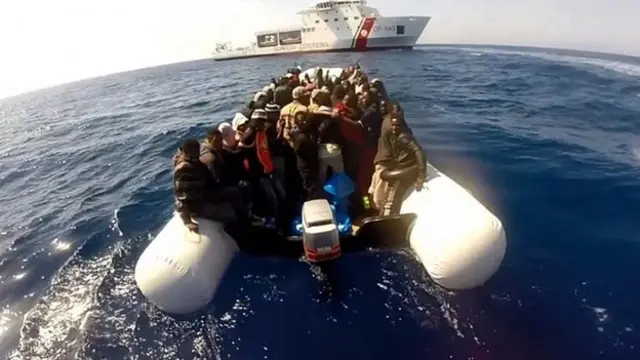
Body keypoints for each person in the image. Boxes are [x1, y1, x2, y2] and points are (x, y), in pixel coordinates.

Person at [174, 139, 241, 233]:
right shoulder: (183, 169)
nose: (196, 153)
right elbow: (180, 198)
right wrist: (187, 221)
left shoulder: (198, 164)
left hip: (206, 195)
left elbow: (211, 183)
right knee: (230, 214)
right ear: (185, 152)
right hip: (195, 206)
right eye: (192, 151)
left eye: (196, 150)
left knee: (236, 191)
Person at [372, 105, 426, 216]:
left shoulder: (403, 137)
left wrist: (421, 175)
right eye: (393, 125)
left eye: (397, 126)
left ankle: (389, 217)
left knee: (392, 198)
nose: (394, 128)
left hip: (406, 171)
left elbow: (419, 150)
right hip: (399, 168)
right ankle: (383, 213)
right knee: (387, 192)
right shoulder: (394, 136)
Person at [239, 109, 285, 228]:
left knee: (281, 194)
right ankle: (274, 222)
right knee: (272, 199)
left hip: (269, 169)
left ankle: (282, 216)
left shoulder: (263, 132)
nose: (263, 124)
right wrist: (249, 147)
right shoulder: (250, 133)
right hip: (260, 173)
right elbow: (242, 148)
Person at [290, 110, 324, 200]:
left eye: (305, 119)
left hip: (310, 167)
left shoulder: (305, 133)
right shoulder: (301, 138)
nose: (304, 122)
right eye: (301, 120)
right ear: (297, 123)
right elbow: (297, 149)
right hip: (306, 169)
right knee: (311, 190)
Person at [311, 105, 345, 185]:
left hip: (322, 150)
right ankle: (338, 193)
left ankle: (323, 192)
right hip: (334, 149)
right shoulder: (335, 121)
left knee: (322, 176)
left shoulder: (317, 121)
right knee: (339, 174)